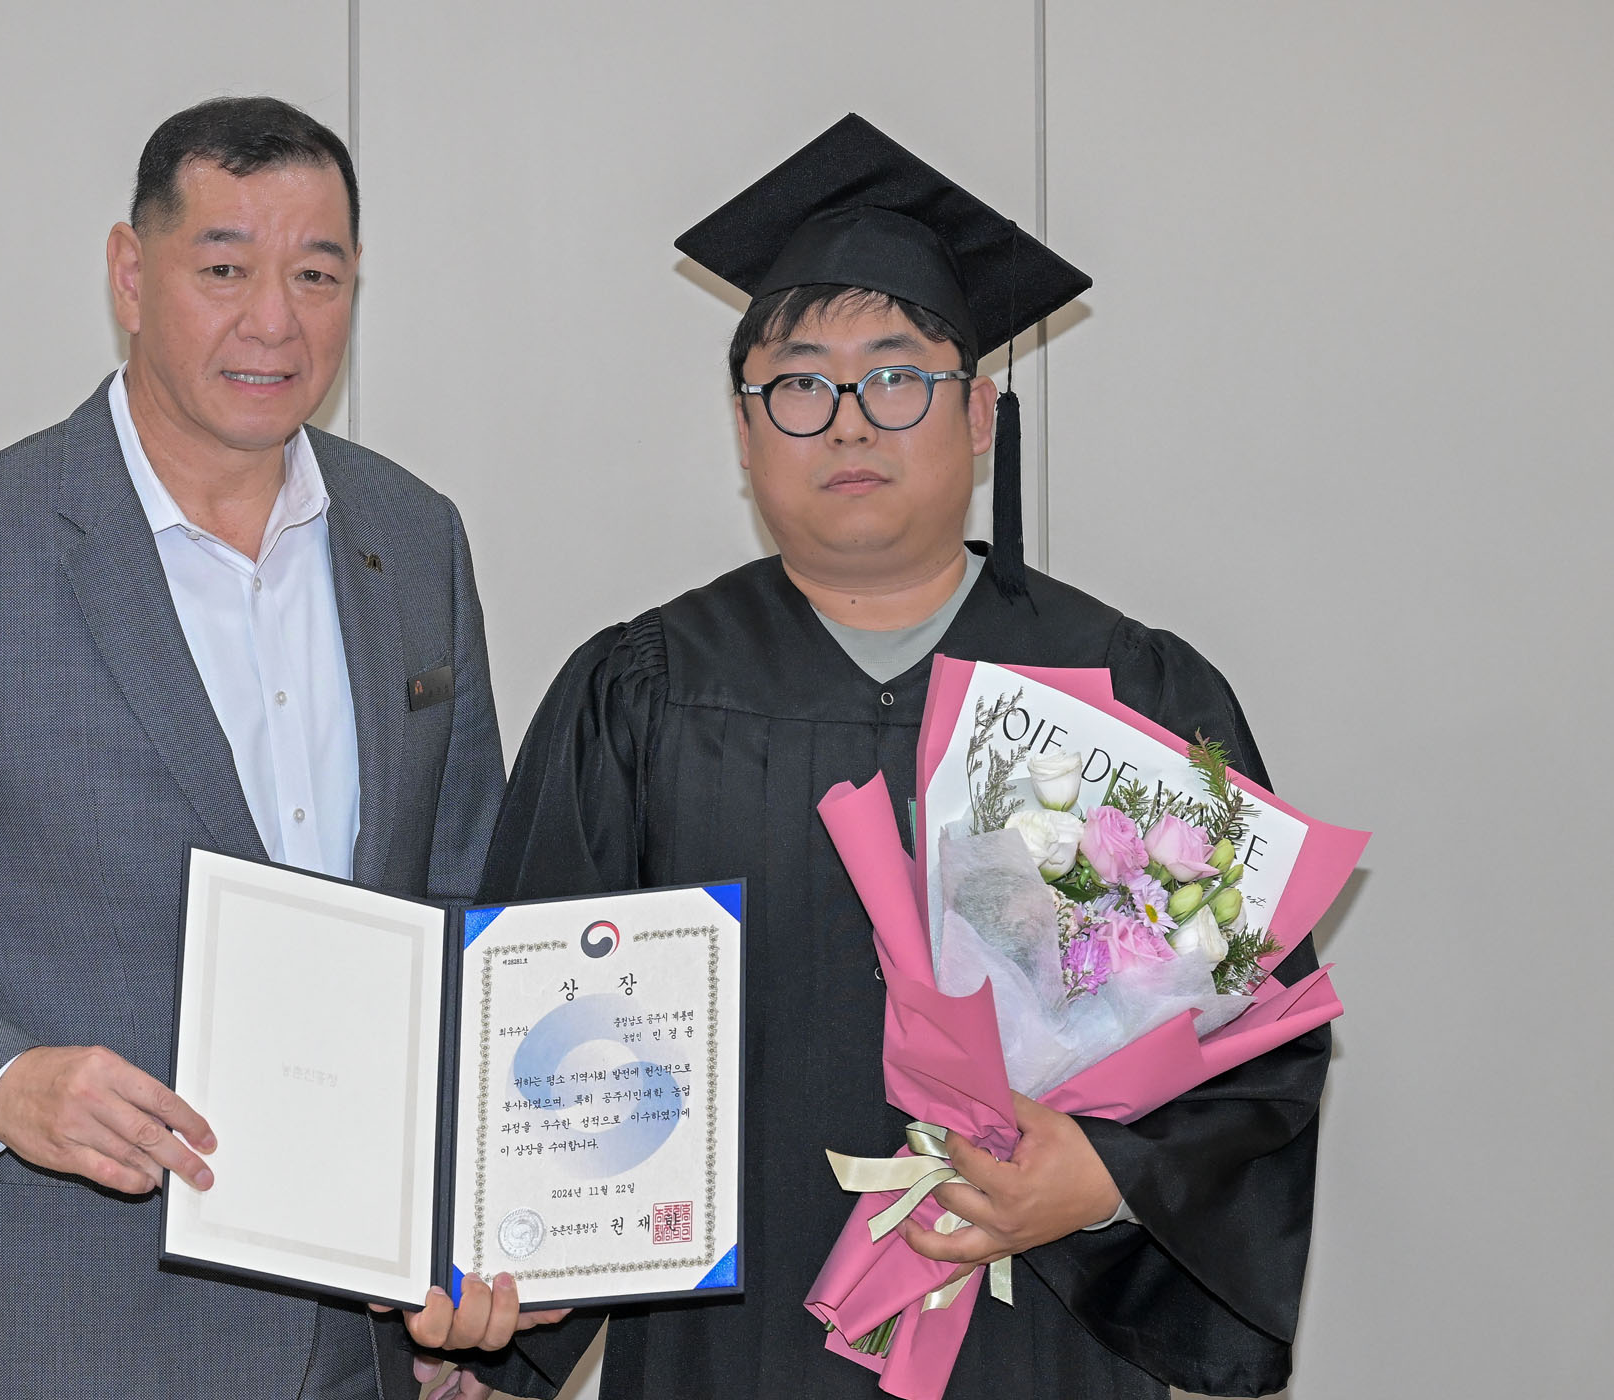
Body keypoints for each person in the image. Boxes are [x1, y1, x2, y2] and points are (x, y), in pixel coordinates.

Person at [450, 115, 1329, 1400]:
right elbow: (526, 1041)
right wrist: (492, 1317)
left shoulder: (1130, 691)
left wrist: (1099, 1179)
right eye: (800, 384)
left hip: (1042, 1350)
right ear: (745, 428)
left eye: (898, 378)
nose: (849, 423)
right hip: (727, 1353)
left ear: (976, 414)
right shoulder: (642, 693)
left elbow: (1257, 1046)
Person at [0, 95, 531, 1399]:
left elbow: (467, 900)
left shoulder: (414, 535)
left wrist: (477, 1249)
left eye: (317, 276)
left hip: (360, 1342)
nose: (275, 321)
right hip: (63, 1333)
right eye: (225, 269)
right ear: (131, 275)